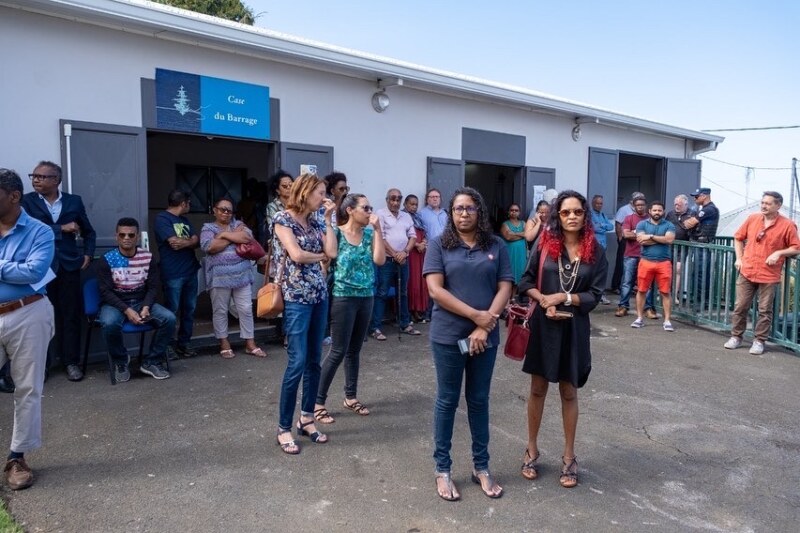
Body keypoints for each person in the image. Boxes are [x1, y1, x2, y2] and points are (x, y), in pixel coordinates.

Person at [423, 186, 513, 501]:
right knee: (447, 400)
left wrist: (484, 327)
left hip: (485, 337)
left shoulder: (496, 245)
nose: (464, 213)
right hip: (449, 336)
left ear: (480, 212)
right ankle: (443, 469)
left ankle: (481, 467)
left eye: (470, 208)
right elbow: (435, 290)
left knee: (478, 400)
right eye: (458, 208)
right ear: (451, 213)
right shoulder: (439, 245)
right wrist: (477, 317)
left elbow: (505, 287)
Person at [518, 190, 607, 489]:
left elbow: (595, 295)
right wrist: (545, 300)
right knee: (538, 389)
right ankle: (531, 449)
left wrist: (564, 297)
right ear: (557, 215)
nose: (571, 217)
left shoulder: (595, 250)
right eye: (566, 212)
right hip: (544, 326)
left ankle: (569, 456)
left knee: (569, 392)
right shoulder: (544, 243)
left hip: (575, 329)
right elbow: (525, 282)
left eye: (577, 212)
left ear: (585, 216)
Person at [273, 173, 336, 454]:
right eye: (320, 193)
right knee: (297, 362)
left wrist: (329, 220)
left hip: (319, 295)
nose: (324, 198)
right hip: (296, 298)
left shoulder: (317, 220)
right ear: (305, 192)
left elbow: (332, 251)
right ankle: (284, 428)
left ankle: (307, 419)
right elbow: (296, 255)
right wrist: (319, 256)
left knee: (314, 362)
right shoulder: (282, 219)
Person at [0, 168, 55, 491]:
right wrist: (12, 269)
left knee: (27, 388)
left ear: (13, 196)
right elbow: (21, 271)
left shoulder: (40, 231)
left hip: (28, 312)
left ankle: (17, 457)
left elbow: (35, 271)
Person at [21, 160, 96, 382]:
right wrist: (61, 228)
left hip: (69, 267)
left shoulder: (74, 201)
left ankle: (71, 362)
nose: (35, 180)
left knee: (70, 316)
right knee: (40, 318)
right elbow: (26, 230)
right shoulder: (26, 202)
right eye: (34, 176)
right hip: (39, 269)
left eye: (41, 176)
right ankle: (42, 365)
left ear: (56, 180)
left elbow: (89, 232)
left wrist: (88, 254)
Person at [314, 194, 385, 424]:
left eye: (370, 208)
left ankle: (350, 397)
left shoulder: (369, 235)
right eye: (366, 208)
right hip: (343, 297)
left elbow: (380, 260)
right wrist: (328, 223)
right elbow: (330, 256)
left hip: (366, 297)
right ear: (350, 210)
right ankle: (317, 402)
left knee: (354, 350)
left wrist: (378, 230)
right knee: (338, 350)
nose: (370, 212)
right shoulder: (336, 233)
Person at [96, 217, 176, 382]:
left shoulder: (147, 257)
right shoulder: (107, 259)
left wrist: (146, 306)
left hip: (141, 300)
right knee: (109, 323)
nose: (126, 238)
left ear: (137, 237)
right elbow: (105, 292)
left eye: (131, 235)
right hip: (115, 303)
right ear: (116, 236)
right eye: (122, 235)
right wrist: (127, 310)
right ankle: (121, 361)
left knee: (169, 319)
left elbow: (153, 287)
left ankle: (152, 361)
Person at [724, 192, 800, 355]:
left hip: (768, 274)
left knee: (765, 309)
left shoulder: (788, 225)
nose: (763, 206)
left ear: (778, 205)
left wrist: (779, 253)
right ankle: (736, 336)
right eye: (762, 202)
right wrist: (739, 258)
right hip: (748, 270)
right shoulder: (752, 218)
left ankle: (759, 341)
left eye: (768, 203)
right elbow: (738, 237)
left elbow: (795, 247)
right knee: (740, 306)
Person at [200, 198, 266, 359]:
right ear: (214, 210)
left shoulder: (239, 224)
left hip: (242, 276)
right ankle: (224, 343)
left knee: (246, 309)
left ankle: (250, 343)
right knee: (220, 310)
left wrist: (223, 235)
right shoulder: (208, 228)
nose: (226, 213)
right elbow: (209, 246)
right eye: (222, 209)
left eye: (229, 210)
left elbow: (247, 238)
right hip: (219, 278)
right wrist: (233, 236)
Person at [154, 189, 200, 358]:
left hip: (190, 270)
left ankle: (184, 344)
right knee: (171, 312)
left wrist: (186, 242)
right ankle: (166, 346)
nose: (190, 206)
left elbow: (197, 240)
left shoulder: (184, 220)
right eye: (189, 203)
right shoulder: (162, 219)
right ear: (183, 203)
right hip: (173, 272)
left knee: (189, 310)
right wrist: (190, 241)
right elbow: (174, 243)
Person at [369, 188, 420, 340]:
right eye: (392, 198)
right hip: (387, 260)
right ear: (387, 200)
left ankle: (405, 324)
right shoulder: (380, 214)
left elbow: (412, 236)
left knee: (403, 292)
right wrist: (394, 254)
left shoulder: (406, 216)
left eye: (398, 199)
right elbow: (381, 237)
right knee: (382, 292)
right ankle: (375, 327)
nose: (395, 202)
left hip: (403, 259)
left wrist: (404, 252)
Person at [630, 201, 677, 331]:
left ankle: (667, 321)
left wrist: (650, 236)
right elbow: (641, 240)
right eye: (655, 210)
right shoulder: (642, 224)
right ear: (650, 211)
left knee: (665, 292)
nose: (657, 212)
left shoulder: (669, 225)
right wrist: (661, 239)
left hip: (664, 263)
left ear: (663, 212)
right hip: (646, 261)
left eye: (659, 210)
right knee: (641, 290)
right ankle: (639, 318)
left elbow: (669, 240)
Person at [616, 196, 655, 318]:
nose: (640, 207)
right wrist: (645, 235)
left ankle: (648, 309)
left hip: (647, 256)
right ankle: (623, 306)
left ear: (646, 206)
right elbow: (626, 234)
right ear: (634, 206)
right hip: (631, 255)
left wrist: (635, 232)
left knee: (647, 283)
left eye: (642, 205)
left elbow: (655, 235)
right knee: (627, 282)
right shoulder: (629, 218)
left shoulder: (651, 219)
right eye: (638, 205)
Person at [684, 188, 720, 308]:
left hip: (703, 245)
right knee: (699, 273)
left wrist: (690, 221)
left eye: (697, 196)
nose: (695, 199)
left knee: (701, 274)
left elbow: (689, 223)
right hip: (700, 245)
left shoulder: (709, 209)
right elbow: (688, 224)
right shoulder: (705, 209)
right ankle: (700, 300)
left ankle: (701, 301)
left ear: (704, 196)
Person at [417, 188, 447, 321]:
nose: (435, 199)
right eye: (432, 197)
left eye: (437, 196)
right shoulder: (421, 214)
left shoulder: (446, 213)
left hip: (447, 251)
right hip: (431, 252)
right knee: (432, 281)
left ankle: (444, 310)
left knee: (446, 281)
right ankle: (428, 313)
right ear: (427, 199)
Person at [403, 194, 430, 323]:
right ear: (405, 204)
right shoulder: (402, 217)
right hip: (411, 252)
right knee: (411, 281)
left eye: (416, 204)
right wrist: (417, 244)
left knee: (420, 281)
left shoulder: (418, 217)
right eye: (411, 204)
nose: (414, 207)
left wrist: (424, 242)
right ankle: (409, 311)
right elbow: (403, 235)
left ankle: (418, 310)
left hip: (420, 253)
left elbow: (424, 233)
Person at [611, 192, 645, 292]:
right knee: (621, 264)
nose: (640, 203)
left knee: (636, 266)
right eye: (639, 199)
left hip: (639, 244)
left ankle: (633, 287)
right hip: (625, 241)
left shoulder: (644, 213)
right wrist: (620, 238)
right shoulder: (624, 209)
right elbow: (618, 224)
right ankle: (616, 286)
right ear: (633, 200)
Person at [589, 194, 614, 304]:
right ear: (592, 203)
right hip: (593, 247)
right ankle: (592, 294)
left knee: (602, 271)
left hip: (603, 248)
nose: (599, 205)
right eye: (597, 203)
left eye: (601, 203)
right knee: (593, 271)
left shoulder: (603, 215)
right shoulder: (589, 214)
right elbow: (593, 228)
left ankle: (601, 295)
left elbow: (611, 226)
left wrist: (601, 225)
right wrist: (603, 226)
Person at [500, 203, 527, 287]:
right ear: (508, 212)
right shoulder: (505, 224)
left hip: (521, 253)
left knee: (521, 271)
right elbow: (508, 237)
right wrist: (522, 234)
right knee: (510, 272)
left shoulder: (523, 223)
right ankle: (510, 293)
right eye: (512, 210)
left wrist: (514, 233)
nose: (514, 212)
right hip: (510, 252)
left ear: (519, 212)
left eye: (516, 210)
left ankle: (517, 293)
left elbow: (527, 234)